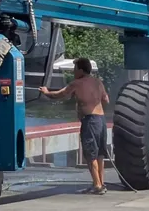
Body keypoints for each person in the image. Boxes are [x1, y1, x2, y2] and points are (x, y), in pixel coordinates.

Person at [39, 57, 110, 195]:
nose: (73, 71)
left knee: (91, 154)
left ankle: (97, 186)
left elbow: (60, 94)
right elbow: (106, 99)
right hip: (101, 120)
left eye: (75, 69)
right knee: (100, 153)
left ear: (81, 70)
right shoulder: (98, 82)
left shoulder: (77, 83)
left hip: (90, 121)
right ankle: (101, 183)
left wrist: (46, 92)